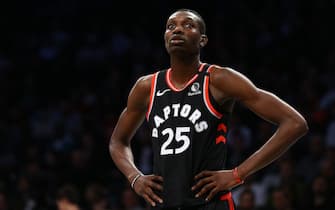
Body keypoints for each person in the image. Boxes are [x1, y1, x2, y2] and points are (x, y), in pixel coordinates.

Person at [109, 8, 308, 210]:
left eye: (188, 25)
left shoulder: (219, 79)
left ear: (203, 40)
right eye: (171, 26)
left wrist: (238, 173)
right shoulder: (146, 87)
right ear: (165, 37)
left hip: (210, 203)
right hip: (162, 203)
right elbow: (117, 141)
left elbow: (295, 123)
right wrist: (135, 178)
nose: (177, 30)